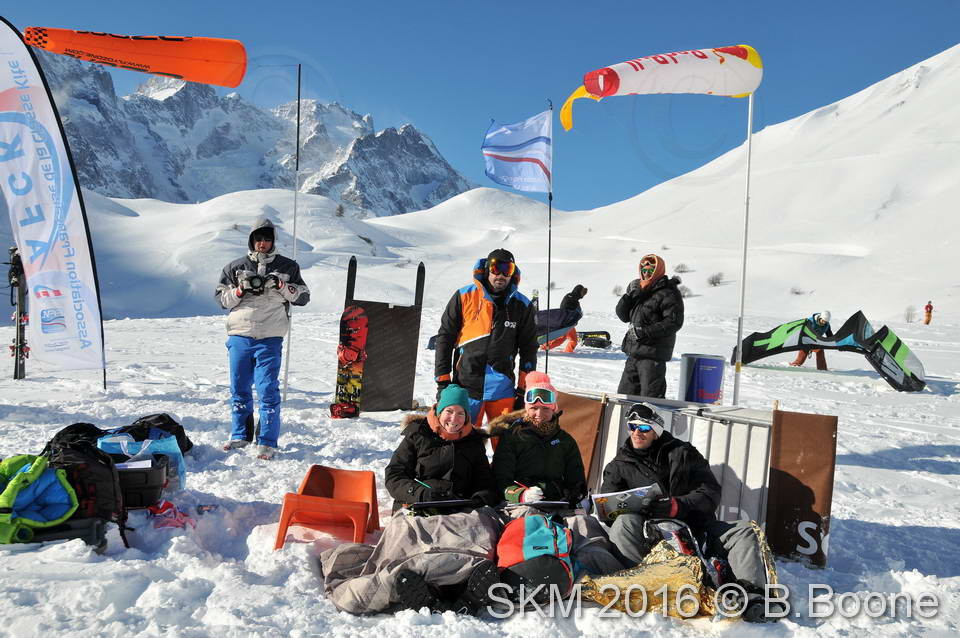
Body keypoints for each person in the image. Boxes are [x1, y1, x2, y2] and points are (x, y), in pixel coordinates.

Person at [600, 403, 780, 623]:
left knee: (744, 530)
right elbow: (607, 509)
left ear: (656, 431)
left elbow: (711, 492)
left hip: (696, 529)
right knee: (622, 524)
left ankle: (753, 598)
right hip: (649, 540)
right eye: (632, 426)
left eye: (644, 428)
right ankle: (643, 586)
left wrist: (678, 505)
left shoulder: (683, 453)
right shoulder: (618, 466)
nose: (637, 432)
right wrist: (636, 509)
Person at [491, 371, 625, 576]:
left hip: (557, 504)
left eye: (544, 409)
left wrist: (578, 497)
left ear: (553, 409)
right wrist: (521, 495)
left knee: (584, 524)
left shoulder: (565, 441)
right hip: (522, 506)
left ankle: (607, 572)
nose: (538, 414)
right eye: (533, 408)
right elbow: (500, 481)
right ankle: (530, 571)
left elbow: (576, 481)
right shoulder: (512, 438)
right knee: (531, 522)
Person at [215, 219, 310, 460]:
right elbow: (220, 299)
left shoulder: (288, 266)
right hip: (240, 334)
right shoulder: (235, 267)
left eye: (267, 239)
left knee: (268, 389)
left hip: (270, 336)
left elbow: (303, 297)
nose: (263, 244)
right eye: (259, 239)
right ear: (252, 240)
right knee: (239, 388)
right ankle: (240, 436)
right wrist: (240, 290)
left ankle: (267, 441)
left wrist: (281, 285)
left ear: (273, 241)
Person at [435, 248, 537, 427]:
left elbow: (529, 349)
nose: (501, 275)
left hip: (502, 389)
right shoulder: (463, 296)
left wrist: (523, 389)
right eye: (496, 268)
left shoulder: (523, 305)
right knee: (463, 443)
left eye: (508, 269)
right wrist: (443, 381)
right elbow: (445, 338)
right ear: (487, 269)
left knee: (506, 447)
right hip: (465, 387)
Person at [384, 384, 498, 512]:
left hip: (460, 510)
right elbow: (394, 475)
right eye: (449, 411)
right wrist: (420, 494)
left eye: (461, 413)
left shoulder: (473, 441)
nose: (454, 419)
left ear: (467, 417)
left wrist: (479, 499)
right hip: (418, 507)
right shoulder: (418, 434)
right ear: (439, 411)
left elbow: (485, 480)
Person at [615, 254, 684, 398]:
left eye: (650, 270)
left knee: (650, 400)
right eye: (643, 270)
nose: (646, 274)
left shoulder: (668, 292)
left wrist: (644, 332)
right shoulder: (640, 291)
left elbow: (673, 322)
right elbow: (623, 316)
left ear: (658, 270)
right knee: (624, 397)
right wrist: (628, 296)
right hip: (634, 354)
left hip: (653, 357)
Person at [540, 284, 588, 352]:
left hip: (565, 321)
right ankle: (566, 352)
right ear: (578, 292)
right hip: (567, 322)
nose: (583, 296)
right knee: (571, 340)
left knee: (564, 338)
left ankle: (544, 347)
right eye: (582, 293)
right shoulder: (573, 299)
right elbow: (566, 310)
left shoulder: (569, 296)